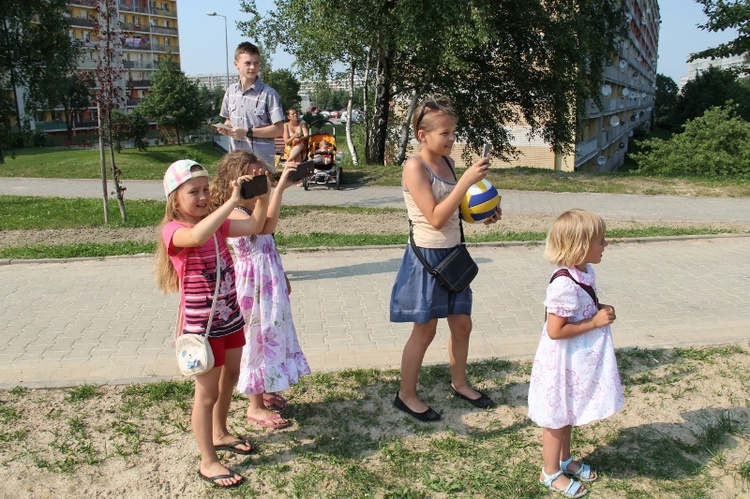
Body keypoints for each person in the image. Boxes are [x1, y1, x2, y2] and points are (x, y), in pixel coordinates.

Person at [154, 159, 270, 488]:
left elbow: (254, 227)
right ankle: (208, 461)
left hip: (230, 316)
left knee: (230, 376)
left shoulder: (214, 221)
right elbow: (195, 236)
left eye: (206, 189)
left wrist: (261, 197)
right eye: (194, 192)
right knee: (205, 395)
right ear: (175, 199)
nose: (204, 196)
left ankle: (219, 433)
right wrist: (232, 202)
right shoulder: (174, 231)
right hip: (200, 327)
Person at [389, 96, 501, 422]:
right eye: (445, 133)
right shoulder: (414, 167)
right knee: (424, 331)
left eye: (453, 132)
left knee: (462, 324)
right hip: (427, 257)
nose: (452, 139)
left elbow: (454, 211)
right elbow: (435, 217)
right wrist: (467, 180)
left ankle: (459, 383)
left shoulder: (447, 162)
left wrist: (483, 213)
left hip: (453, 254)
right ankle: (405, 395)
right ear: (422, 135)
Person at [210, 151, 311, 430]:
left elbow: (268, 236)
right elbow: (264, 227)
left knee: (270, 334)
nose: (259, 182)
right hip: (250, 286)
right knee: (254, 338)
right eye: (253, 177)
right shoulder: (232, 210)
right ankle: (254, 406)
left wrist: (278, 188)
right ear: (234, 181)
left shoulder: (254, 204)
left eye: (262, 176)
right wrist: (275, 191)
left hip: (268, 281)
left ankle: (263, 390)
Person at [527, 209, 623, 498]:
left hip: (574, 361)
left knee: (568, 410)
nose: (605, 244)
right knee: (556, 417)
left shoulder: (583, 273)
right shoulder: (563, 284)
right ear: (581, 246)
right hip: (560, 362)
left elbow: (579, 308)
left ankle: (565, 460)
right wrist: (594, 322)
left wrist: (597, 309)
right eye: (600, 241)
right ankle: (550, 471)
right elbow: (555, 330)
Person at [217, 42, 285, 168]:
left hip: (261, 164)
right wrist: (226, 128)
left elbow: (279, 129)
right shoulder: (230, 92)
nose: (253, 67)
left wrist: (247, 132)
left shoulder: (269, 94)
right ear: (236, 64)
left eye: (256, 63)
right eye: (247, 63)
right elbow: (228, 119)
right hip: (237, 162)